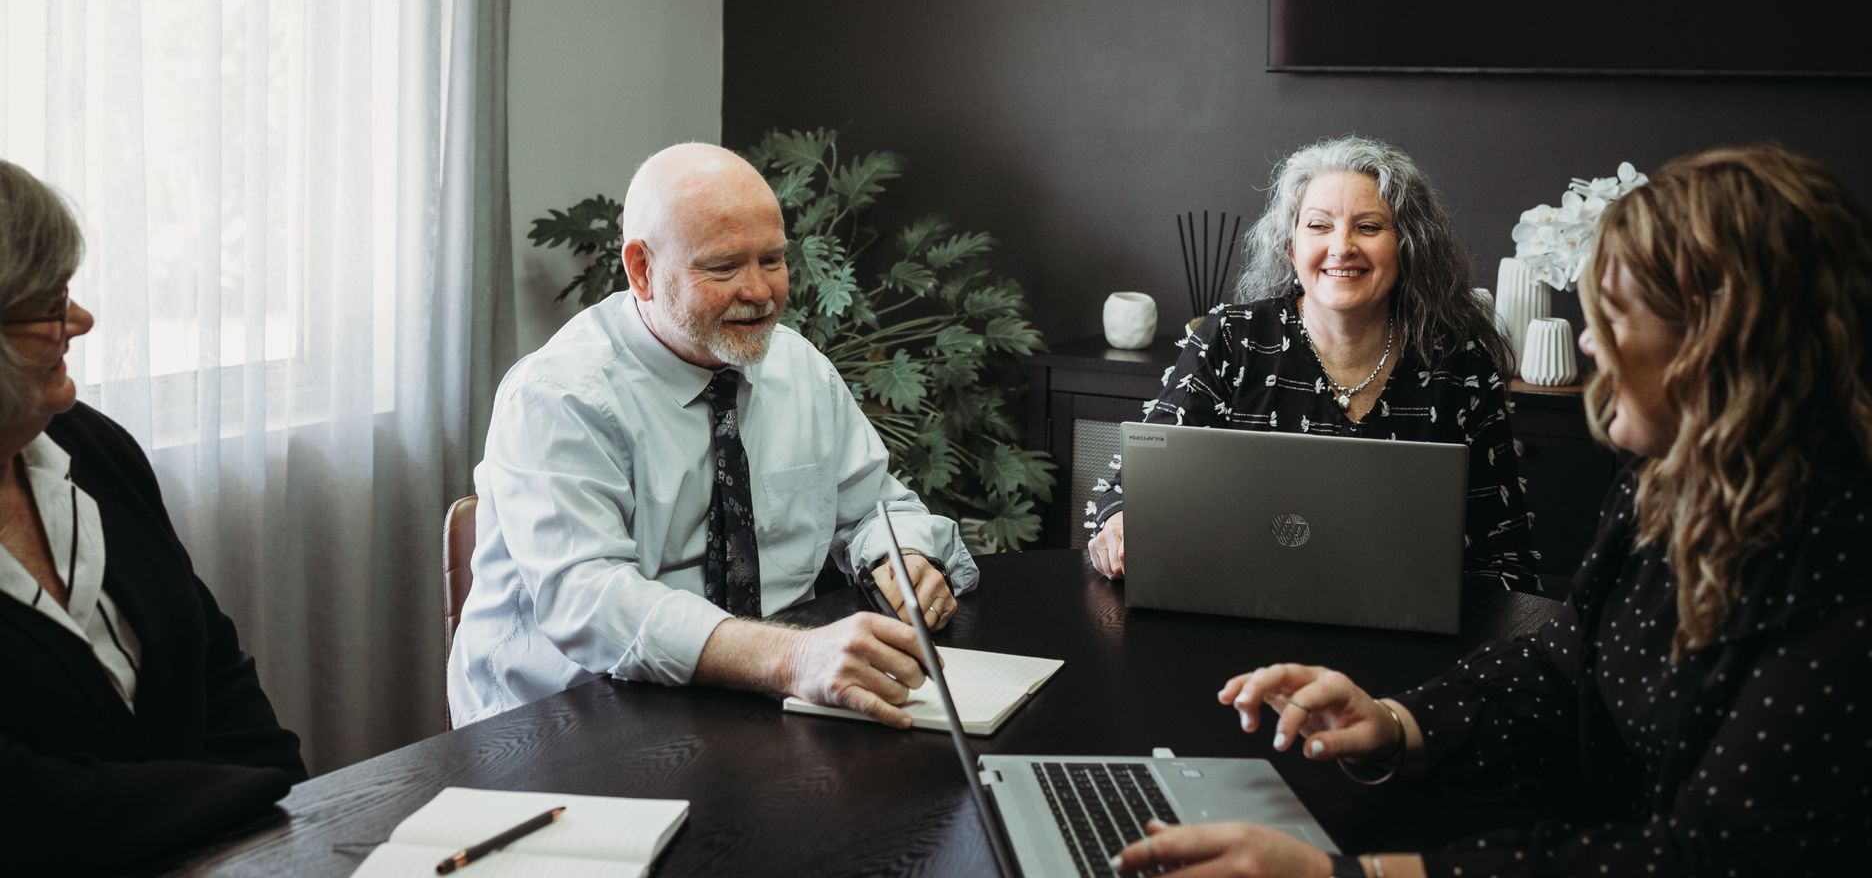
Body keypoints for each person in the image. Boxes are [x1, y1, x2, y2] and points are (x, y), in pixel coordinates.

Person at [1113, 145, 1872, 877]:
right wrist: (1394, 723)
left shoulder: (1871, 573)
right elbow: (1563, 664)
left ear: (1727, 338)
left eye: (1618, 312)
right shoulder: (1664, 483)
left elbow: (1702, 860)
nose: (1593, 345)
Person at [449, 143, 979, 728]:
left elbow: (874, 506)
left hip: (760, 700)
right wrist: (791, 656)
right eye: (723, 267)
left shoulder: (798, 367)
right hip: (564, 723)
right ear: (642, 270)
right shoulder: (557, 396)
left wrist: (900, 553)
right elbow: (590, 601)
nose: (758, 292)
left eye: (772, 260)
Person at [0, 161, 306, 871]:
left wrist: (290, 807)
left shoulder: (90, 444)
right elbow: (22, 804)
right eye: (49, 305)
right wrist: (245, 796)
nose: (80, 321)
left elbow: (213, 663)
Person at [1088, 136, 1536, 592]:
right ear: (1290, 247)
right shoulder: (1229, 340)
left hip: (1410, 639)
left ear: (1408, 245)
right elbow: (1130, 490)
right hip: (1239, 615)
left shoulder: (1460, 364)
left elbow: (1504, 556)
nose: (1342, 247)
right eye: (1319, 226)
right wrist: (1121, 522)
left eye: (1368, 226)